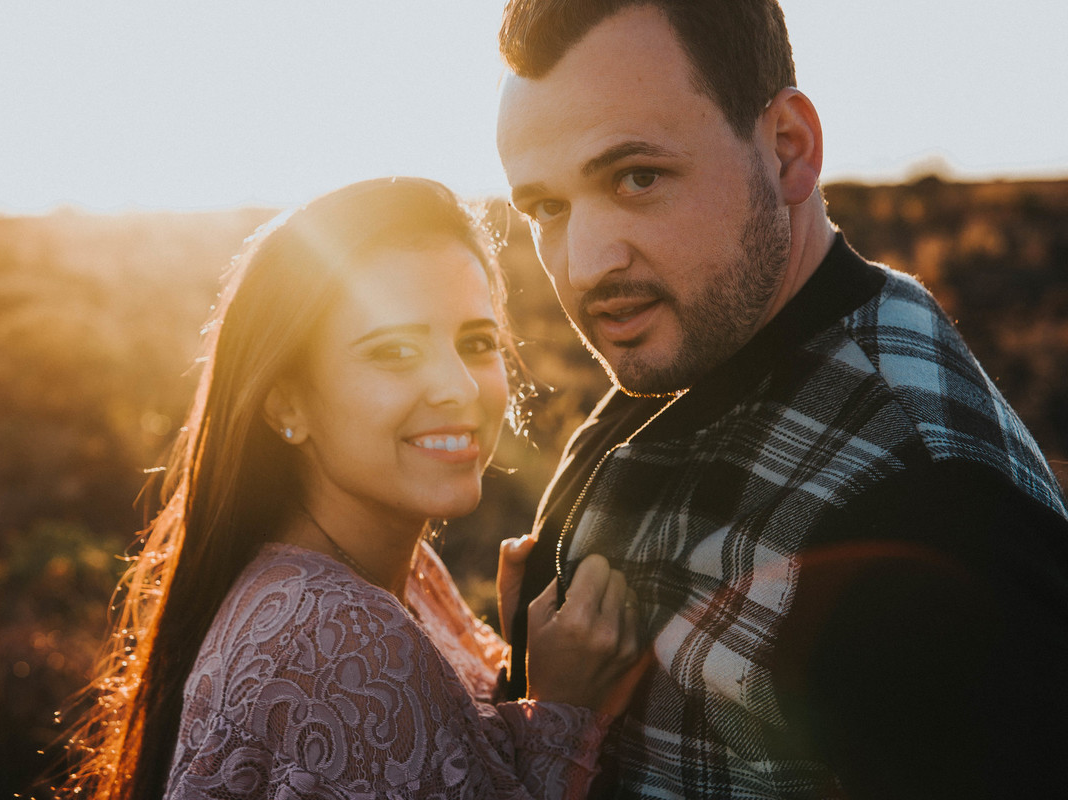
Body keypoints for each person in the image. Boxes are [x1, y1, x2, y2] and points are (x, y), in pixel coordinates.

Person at [494, 1, 1068, 798]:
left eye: (637, 177)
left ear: (788, 149)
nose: (587, 265)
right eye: (546, 208)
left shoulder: (935, 509)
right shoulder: (688, 352)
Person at [55, 177, 644, 800]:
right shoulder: (337, 636)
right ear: (286, 402)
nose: (460, 389)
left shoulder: (404, 576)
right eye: (393, 350)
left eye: (476, 343)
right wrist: (564, 715)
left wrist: (514, 666)